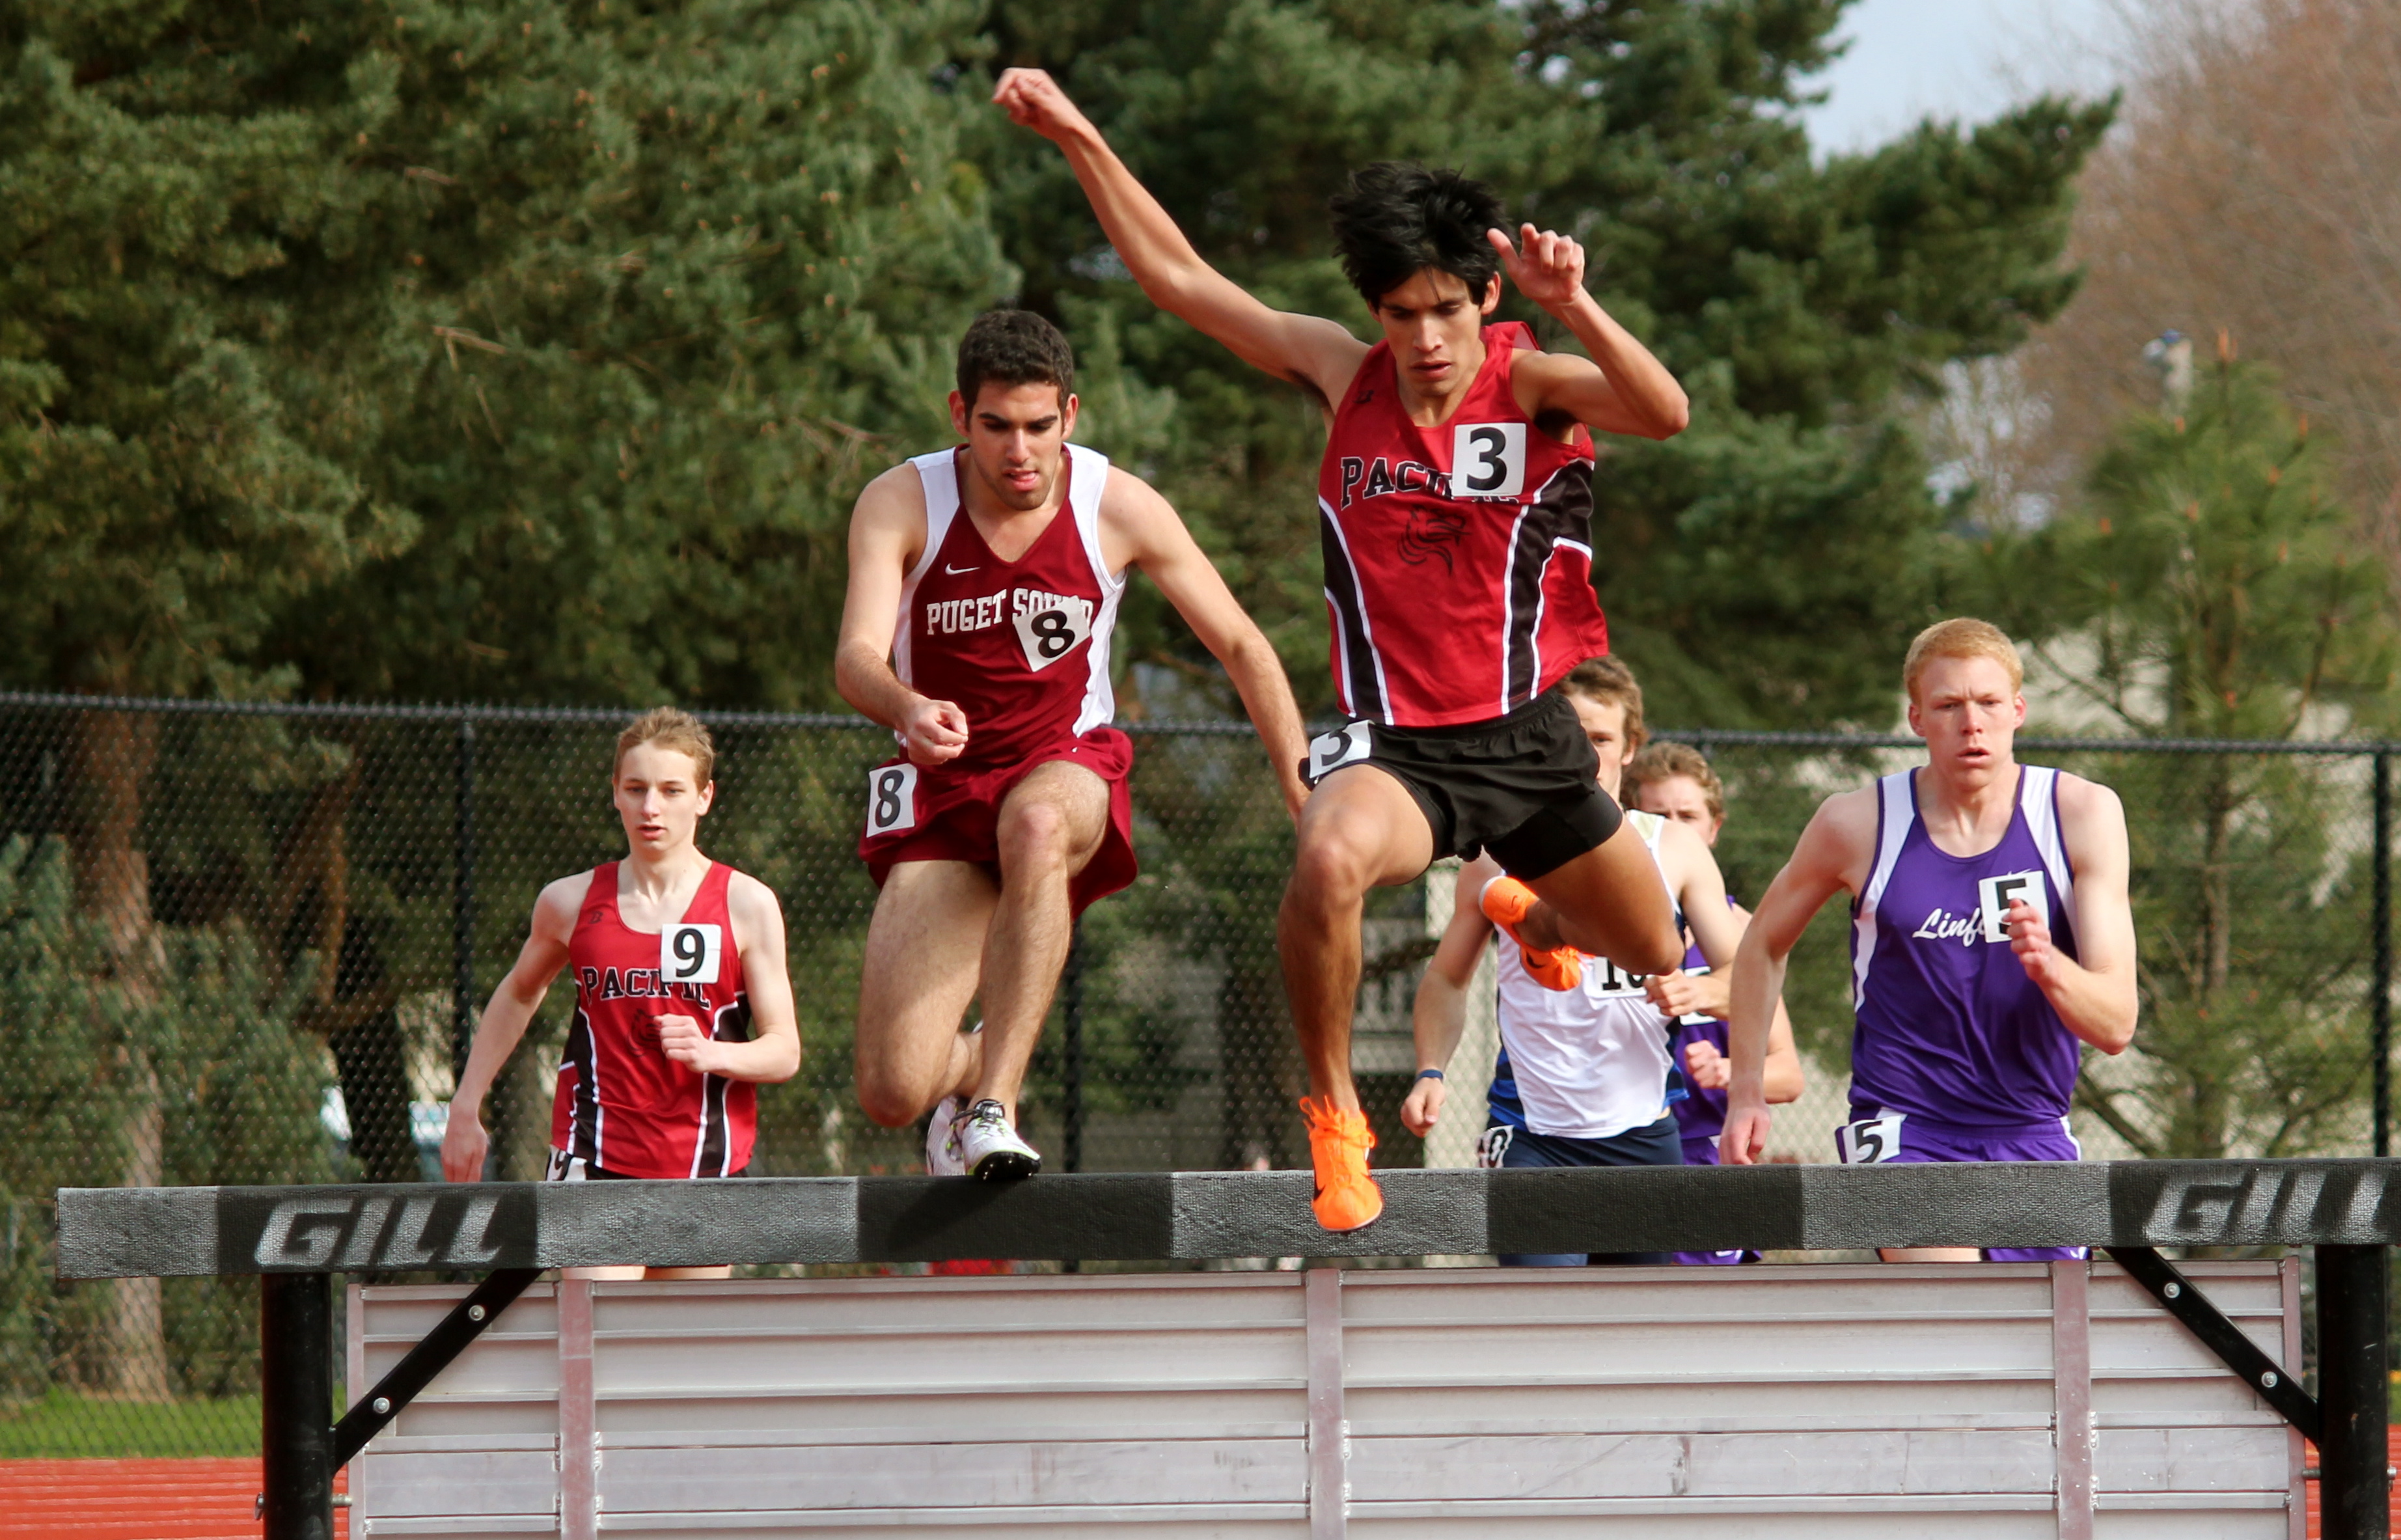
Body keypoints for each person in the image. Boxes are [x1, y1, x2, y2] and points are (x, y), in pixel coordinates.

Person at [996, 68, 1694, 1233]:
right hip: (1398, 747)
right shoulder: (1342, 375)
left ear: (1483, 296)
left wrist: (1573, 304)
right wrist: (1078, 135)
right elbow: (1178, 281)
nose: (1424, 339)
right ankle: (1334, 1118)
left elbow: (1665, 413)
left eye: (1446, 310)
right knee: (1324, 859)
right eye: (1400, 313)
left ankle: (1527, 908)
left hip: (1528, 736)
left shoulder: (1532, 384)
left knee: (1649, 943)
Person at [1720, 617, 2141, 1540]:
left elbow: (2118, 1024)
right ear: (1914, 717)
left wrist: (2048, 963)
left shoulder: (2080, 816)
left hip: (2030, 1127)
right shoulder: (1859, 822)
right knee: (1950, 1346)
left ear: (2020, 710)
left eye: (1990, 702)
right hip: (1903, 1127)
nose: (1971, 723)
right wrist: (1749, 1092)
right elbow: (1759, 944)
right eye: (1948, 704)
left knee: (2030, 1396)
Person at [834, 309, 1309, 1179]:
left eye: (1039, 426)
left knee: (1039, 824)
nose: (1020, 450)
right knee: (890, 1089)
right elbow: (855, 656)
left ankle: (993, 1106)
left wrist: (1299, 784)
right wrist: (905, 704)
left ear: (1071, 416)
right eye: (997, 426)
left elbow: (1241, 644)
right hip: (946, 787)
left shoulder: (1115, 504)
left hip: (1066, 762)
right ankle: (966, 1073)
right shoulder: (902, 501)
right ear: (958, 416)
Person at [1401, 660, 1746, 1263]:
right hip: (1533, 1133)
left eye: (1602, 739)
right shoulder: (1493, 858)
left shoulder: (1675, 849)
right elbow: (1447, 979)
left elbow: (1746, 978)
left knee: (1639, 1335)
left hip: (1644, 1132)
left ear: (1631, 747)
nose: (1583, 753)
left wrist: (1700, 992)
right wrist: (1431, 1069)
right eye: (1569, 734)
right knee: (1546, 1322)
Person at [442, 708, 802, 1281]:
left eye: (670, 790)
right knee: (600, 1346)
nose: (650, 807)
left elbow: (784, 1050)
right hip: (596, 1158)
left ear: (704, 797)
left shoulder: (747, 904)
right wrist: (466, 1104)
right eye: (635, 789)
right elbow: (518, 993)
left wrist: (716, 1053)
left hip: (703, 1166)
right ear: (615, 793)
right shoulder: (570, 902)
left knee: (676, 1362)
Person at [1624, 741, 1802, 1262]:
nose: (1675, 827)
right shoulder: (1599, 927)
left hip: (1705, 1153)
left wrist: (1729, 1071)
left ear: (1714, 827)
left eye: (1688, 815)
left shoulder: (1742, 931)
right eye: (1659, 816)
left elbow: (1789, 1074)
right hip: (1613, 1146)